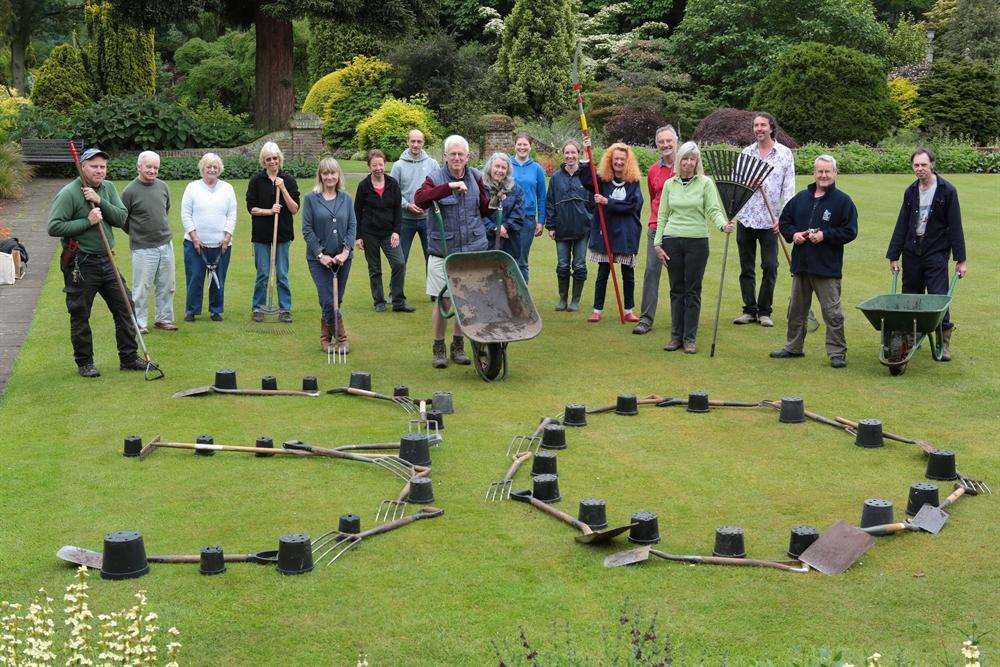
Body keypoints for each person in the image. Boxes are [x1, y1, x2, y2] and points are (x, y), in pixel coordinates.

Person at [47, 147, 142, 377]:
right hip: (81, 264)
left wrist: (100, 201)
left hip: (107, 260)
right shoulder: (69, 193)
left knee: (126, 307)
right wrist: (87, 221)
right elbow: (54, 226)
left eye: (103, 167)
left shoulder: (107, 188)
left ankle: (128, 358)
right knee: (80, 314)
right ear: (83, 167)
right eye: (94, 166)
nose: (100, 170)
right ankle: (85, 363)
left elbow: (121, 218)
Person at [771, 155, 858, 368]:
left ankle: (837, 353)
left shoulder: (843, 201)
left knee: (832, 313)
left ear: (835, 173)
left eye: (828, 171)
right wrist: (794, 235)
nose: (824, 175)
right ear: (814, 173)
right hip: (801, 265)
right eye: (820, 171)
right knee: (796, 311)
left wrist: (825, 236)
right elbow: (784, 222)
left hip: (826, 267)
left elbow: (850, 231)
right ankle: (793, 347)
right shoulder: (801, 198)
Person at [414, 134, 493, 369]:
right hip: (443, 251)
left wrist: (497, 200)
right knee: (444, 302)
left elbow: (485, 208)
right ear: (445, 156)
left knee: (467, 301)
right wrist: (448, 187)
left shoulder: (477, 177)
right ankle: (439, 347)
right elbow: (420, 199)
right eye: (453, 154)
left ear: (468, 156)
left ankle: (458, 347)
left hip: (472, 249)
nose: (457, 158)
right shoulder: (434, 178)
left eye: (461, 154)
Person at [886, 148, 966, 361]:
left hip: (936, 252)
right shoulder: (911, 191)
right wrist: (894, 256)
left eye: (923, 165)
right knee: (910, 295)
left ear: (932, 165)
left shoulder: (947, 190)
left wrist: (961, 259)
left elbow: (955, 225)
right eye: (916, 165)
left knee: (938, 297)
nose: (919, 169)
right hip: (912, 251)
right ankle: (911, 336)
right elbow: (902, 223)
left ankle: (943, 342)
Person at [653, 141, 732, 353]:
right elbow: (662, 215)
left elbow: (713, 209)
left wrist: (723, 224)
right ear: (679, 161)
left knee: (693, 290)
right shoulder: (671, 184)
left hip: (697, 241)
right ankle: (675, 337)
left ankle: (690, 338)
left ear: (697, 162)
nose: (688, 163)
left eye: (692, 159)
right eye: (685, 159)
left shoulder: (705, 183)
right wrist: (657, 243)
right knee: (676, 289)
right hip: (672, 240)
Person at [733, 112, 797, 328]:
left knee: (770, 266)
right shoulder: (746, 153)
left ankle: (765, 311)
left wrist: (785, 220)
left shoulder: (785, 154)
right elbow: (736, 186)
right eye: (756, 125)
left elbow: (789, 191)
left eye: (763, 125)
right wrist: (749, 184)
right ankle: (749, 310)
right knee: (746, 267)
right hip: (747, 218)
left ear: (771, 128)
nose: (759, 129)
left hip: (771, 221)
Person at [580, 140, 644, 323]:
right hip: (606, 231)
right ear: (610, 160)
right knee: (603, 272)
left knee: (627, 274)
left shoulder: (633, 182)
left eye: (622, 159)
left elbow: (633, 205)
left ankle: (628, 310)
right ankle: (597, 310)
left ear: (628, 161)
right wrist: (586, 156)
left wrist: (608, 202)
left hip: (626, 233)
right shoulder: (603, 180)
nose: (619, 162)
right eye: (616, 159)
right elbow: (586, 181)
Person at [302, 157, 356, 354]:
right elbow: (307, 229)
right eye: (325, 173)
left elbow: (352, 226)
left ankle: (325, 336)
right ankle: (341, 339)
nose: (329, 177)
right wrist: (320, 255)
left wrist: (345, 251)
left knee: (337, 299)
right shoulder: (311, 199)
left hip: (343, 259)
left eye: (333, 173)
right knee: (327, 299)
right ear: (320, 176)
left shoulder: (346, 199)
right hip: (319, 261)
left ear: (338, 175)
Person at [121, 150, 176, 334]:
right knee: (142, 288)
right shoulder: (129, 191)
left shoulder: (163, 187)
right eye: (149, 167)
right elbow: (123, 218)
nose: (152, 170)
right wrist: (137, 232)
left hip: (165, 243)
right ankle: (140, 323)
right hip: (143, 247)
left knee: (167, 285)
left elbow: (165, 209)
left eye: (155, 167)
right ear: (139, 167)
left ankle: (163, 319)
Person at [246, 141, 300, 322]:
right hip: (261, 235)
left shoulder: (288, 180)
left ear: (280, 159)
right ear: (263, 161)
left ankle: (285, 309)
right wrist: (270, 211)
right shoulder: (256, 181)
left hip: (282, 234)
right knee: (262, 273)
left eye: (275, 158)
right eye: (268, 159)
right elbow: (251, 208)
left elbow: (294, 209)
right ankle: (258, 308)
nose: (272, 162)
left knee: (282, 273)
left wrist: (283, 188)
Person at [180, 153, 237, 322]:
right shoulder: (192, 187)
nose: (212, 169)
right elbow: (185, 214)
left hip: (221, 244)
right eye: (208, 166)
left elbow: (232, 214)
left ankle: (216, 310)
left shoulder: (228, 188)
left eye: (215, 167)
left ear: (219, 169)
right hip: (195, 243)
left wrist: (227, 237)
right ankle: (191, 310)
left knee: (218, 278)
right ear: (202, 169)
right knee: (195, 277)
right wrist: (195, 237)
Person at [632, 125, 678, 334]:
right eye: (661, 142)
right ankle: (646, 319)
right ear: (657, 144)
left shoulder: (686, 165)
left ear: (676, 141)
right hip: (656, 228)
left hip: (679, 229)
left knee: (679, 275)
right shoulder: (652, 170)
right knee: (651, 272)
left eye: (669, 141)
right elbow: (654, 198)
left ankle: (681, 320)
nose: (665, 145)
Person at [355, 150, 413, 313]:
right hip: (369, 233)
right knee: (375, 268)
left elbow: (397, 211)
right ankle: (379, 301)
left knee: (399, 263)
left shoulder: (392, 184)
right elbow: (357, 212)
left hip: (389, 233)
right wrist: (358, 236)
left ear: (385, 164)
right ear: (369, 166)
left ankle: (398, 301)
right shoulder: (363, 186)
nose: (378, 168)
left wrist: (396, 232)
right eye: (374, 165)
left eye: (381, 164)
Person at [545, 140, 591, 311]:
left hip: (582, 229)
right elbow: (549, 202)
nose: (570, 156)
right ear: (563, 154)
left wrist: (590, 220)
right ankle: (562, 299)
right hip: (562, 228)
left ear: (578, 154)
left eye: (573, 152)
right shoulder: (556, 178)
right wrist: (551, 226)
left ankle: (575, 300)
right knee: (563, 265)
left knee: (579, 265)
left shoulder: (586, 176)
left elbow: (594, 200)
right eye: (567, 153)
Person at [390, 129, 439, 268]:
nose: (416, 145)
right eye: (413, 141)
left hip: (428, 219)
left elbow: (437, 189)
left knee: (431, 260)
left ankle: (434, 290)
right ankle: (396, 290)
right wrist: (407, 205)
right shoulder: (398, 165)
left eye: (419, 141)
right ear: (408, 142)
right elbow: (393, 193)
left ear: (423, 142)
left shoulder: (432, 164)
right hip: (405, 219)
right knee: (400, 261)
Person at [510, 134, 546, 282]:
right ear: (515, 146)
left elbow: (542, 196)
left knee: (522, 259)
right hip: (509, 218)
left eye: (525, 145)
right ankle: (509, 295)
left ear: (530, 147)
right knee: (509, 258)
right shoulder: (507, 164)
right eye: (519, 144)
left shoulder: (536, 169)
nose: (522, 147)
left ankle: (522, 297)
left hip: (528, 219)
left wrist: (541, 221)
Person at [480, 152, 525, 262]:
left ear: (508, 170)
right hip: (486, 240)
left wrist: (504, 227)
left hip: (509, 241)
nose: (500, 171)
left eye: (503, 168)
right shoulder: (481, 187)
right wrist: (494, 228)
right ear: (490, 167)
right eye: (497, 166)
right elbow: (476, 212)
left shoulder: (515, 189)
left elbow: (519, 213)